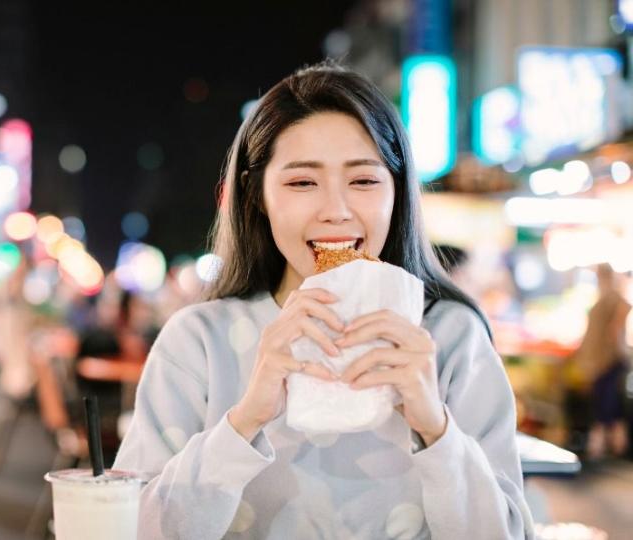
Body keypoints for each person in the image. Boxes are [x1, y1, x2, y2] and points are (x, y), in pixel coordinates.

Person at [113, 63, 533, 539]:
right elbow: (131, 529)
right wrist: (246, 417)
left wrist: (436, 428)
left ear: (398, 193)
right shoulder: (198, 341)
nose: (335, 210)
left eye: (364, 181)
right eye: (301, 183)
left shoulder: (452, 337)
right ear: (256, 197)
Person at [573, 263, 630, 460]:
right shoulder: (608, 299)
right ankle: (607, 448)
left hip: (608, 362)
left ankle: (605, 449)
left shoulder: (613, 300)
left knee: (607, 409)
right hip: (606, 362)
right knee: (609, 409)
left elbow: (615, 333)